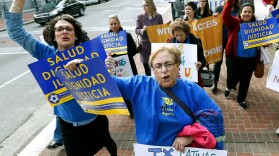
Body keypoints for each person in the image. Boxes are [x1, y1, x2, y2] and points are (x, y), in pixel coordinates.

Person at [3, 1, 117, 155]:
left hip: (97, 119)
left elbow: (109, 84)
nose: (64, 31)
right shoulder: (46, 54)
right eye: (59, 29)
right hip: (69, 127)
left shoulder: (89, 54)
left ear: (75, 35)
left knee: (109, 144)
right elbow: (15, 31)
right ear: (53, 36)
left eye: (69, 29)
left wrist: (108, 67)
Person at [66, 45, 224, 151]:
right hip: (148, 152)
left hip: (180, 152)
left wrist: (190, 137)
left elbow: (215, 117)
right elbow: (109, 83)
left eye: (169, 64)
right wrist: (82, 69)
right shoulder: (139, 85)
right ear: (153, 70)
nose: (164, 70)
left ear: (177, 66)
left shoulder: (193, 90)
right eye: (158, 66)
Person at [222, 0, 269, 109]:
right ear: (240, 13)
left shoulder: (257, 26)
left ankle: (241, 99)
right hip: (233, 57)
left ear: (253, 14)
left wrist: (266, 43)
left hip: (250, 59)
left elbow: (263, 41)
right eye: (245, 11)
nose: (247, 14)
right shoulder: (234, 23)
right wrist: (229, 2)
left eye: (249, 12)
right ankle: (229, 86)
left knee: (245, 80)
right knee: (232, 77)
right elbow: (225, 16)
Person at [108, 14, 137, 118]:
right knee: (122, 88)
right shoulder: (107, 39)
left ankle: (136, 107)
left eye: (115, 23)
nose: (113, 26)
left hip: (129, 65)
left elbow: (134, 50)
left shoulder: (127, 35)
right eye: (111, 24)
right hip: (116, 68)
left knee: (133, 86)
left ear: (119, 24)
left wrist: (123, 55)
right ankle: (130, 110)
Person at [167, 18, 206, 88]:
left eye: (181, 35)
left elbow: (203, 60)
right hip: (176, 78)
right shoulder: (170, 42)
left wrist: (200, 64)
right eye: (176, 35)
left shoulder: (196, 42)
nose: (179, 38)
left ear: (186, 33)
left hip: (193, 78)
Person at [211, 0, 240, 92]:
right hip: (220, 39)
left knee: (230, 64)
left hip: (231, 41)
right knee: (217, 62)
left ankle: (229, 84)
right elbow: (212, 23)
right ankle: (214, 82)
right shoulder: (219, 9)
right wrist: (213, 18)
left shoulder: (239, 10)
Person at [135, 0, 163, 76]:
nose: (144, 7)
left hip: (156, 46)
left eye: (146, 5)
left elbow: (162, 30)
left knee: (157, 65)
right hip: (145, 47)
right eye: (143, 6)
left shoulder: (159, 16)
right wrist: (142, 30)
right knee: (147, 68)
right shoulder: (140, 17)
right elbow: (136, 30)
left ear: (151, 5)